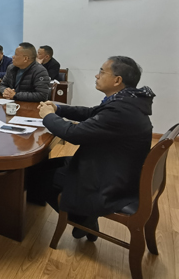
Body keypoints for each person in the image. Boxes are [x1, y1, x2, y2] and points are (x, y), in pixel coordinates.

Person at [30, 56, 154, 241]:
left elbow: (73, 134)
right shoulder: (128, 101)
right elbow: (91, 113)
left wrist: (48, 116)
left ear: (117, 80)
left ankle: (81, 219)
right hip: (113, 167)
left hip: (108, 180)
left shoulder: (120, 111)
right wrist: (58, 109)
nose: (97, 75)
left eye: (102, 72)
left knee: (35, 177)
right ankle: (83, 216)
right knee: (38, 166)